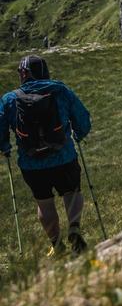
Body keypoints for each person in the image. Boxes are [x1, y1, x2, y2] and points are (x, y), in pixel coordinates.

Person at [0, 55, 93, 255]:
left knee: (44, 202)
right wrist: (79, 133)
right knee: (72, 192)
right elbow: (83, 118)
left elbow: (0, 130)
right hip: (64, 156)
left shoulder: (9, 99)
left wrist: (5, 147)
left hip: (31, 164)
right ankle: (74, 228)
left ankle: (56, 244)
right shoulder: (60, 90)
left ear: (24, 73)